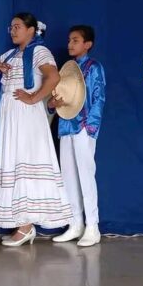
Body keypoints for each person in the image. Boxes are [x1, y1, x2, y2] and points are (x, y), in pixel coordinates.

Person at [0, 12, 73, 246]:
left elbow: (53, 77)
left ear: (31, 30)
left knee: (24, 161)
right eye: (11, 27)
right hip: (9, 117)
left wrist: (33, 97)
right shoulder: (12, 54)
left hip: (25, 117)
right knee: (12, 163)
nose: (13, 31)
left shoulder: (39, 51)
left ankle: (26, 226)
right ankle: (20, 222)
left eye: (17, 27)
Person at [49, 25, 106, 247]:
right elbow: (57, 98)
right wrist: (54, 105)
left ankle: (92, 226)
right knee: (68, 177)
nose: (70, 44)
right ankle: (75, 224)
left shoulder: (94, 68)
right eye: (69, 40)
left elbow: (99, 98)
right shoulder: (66, 70)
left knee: (86, 175)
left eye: (75, 40)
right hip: (65, 126)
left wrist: (90, 127)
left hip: (83, 127)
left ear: (87, 44)